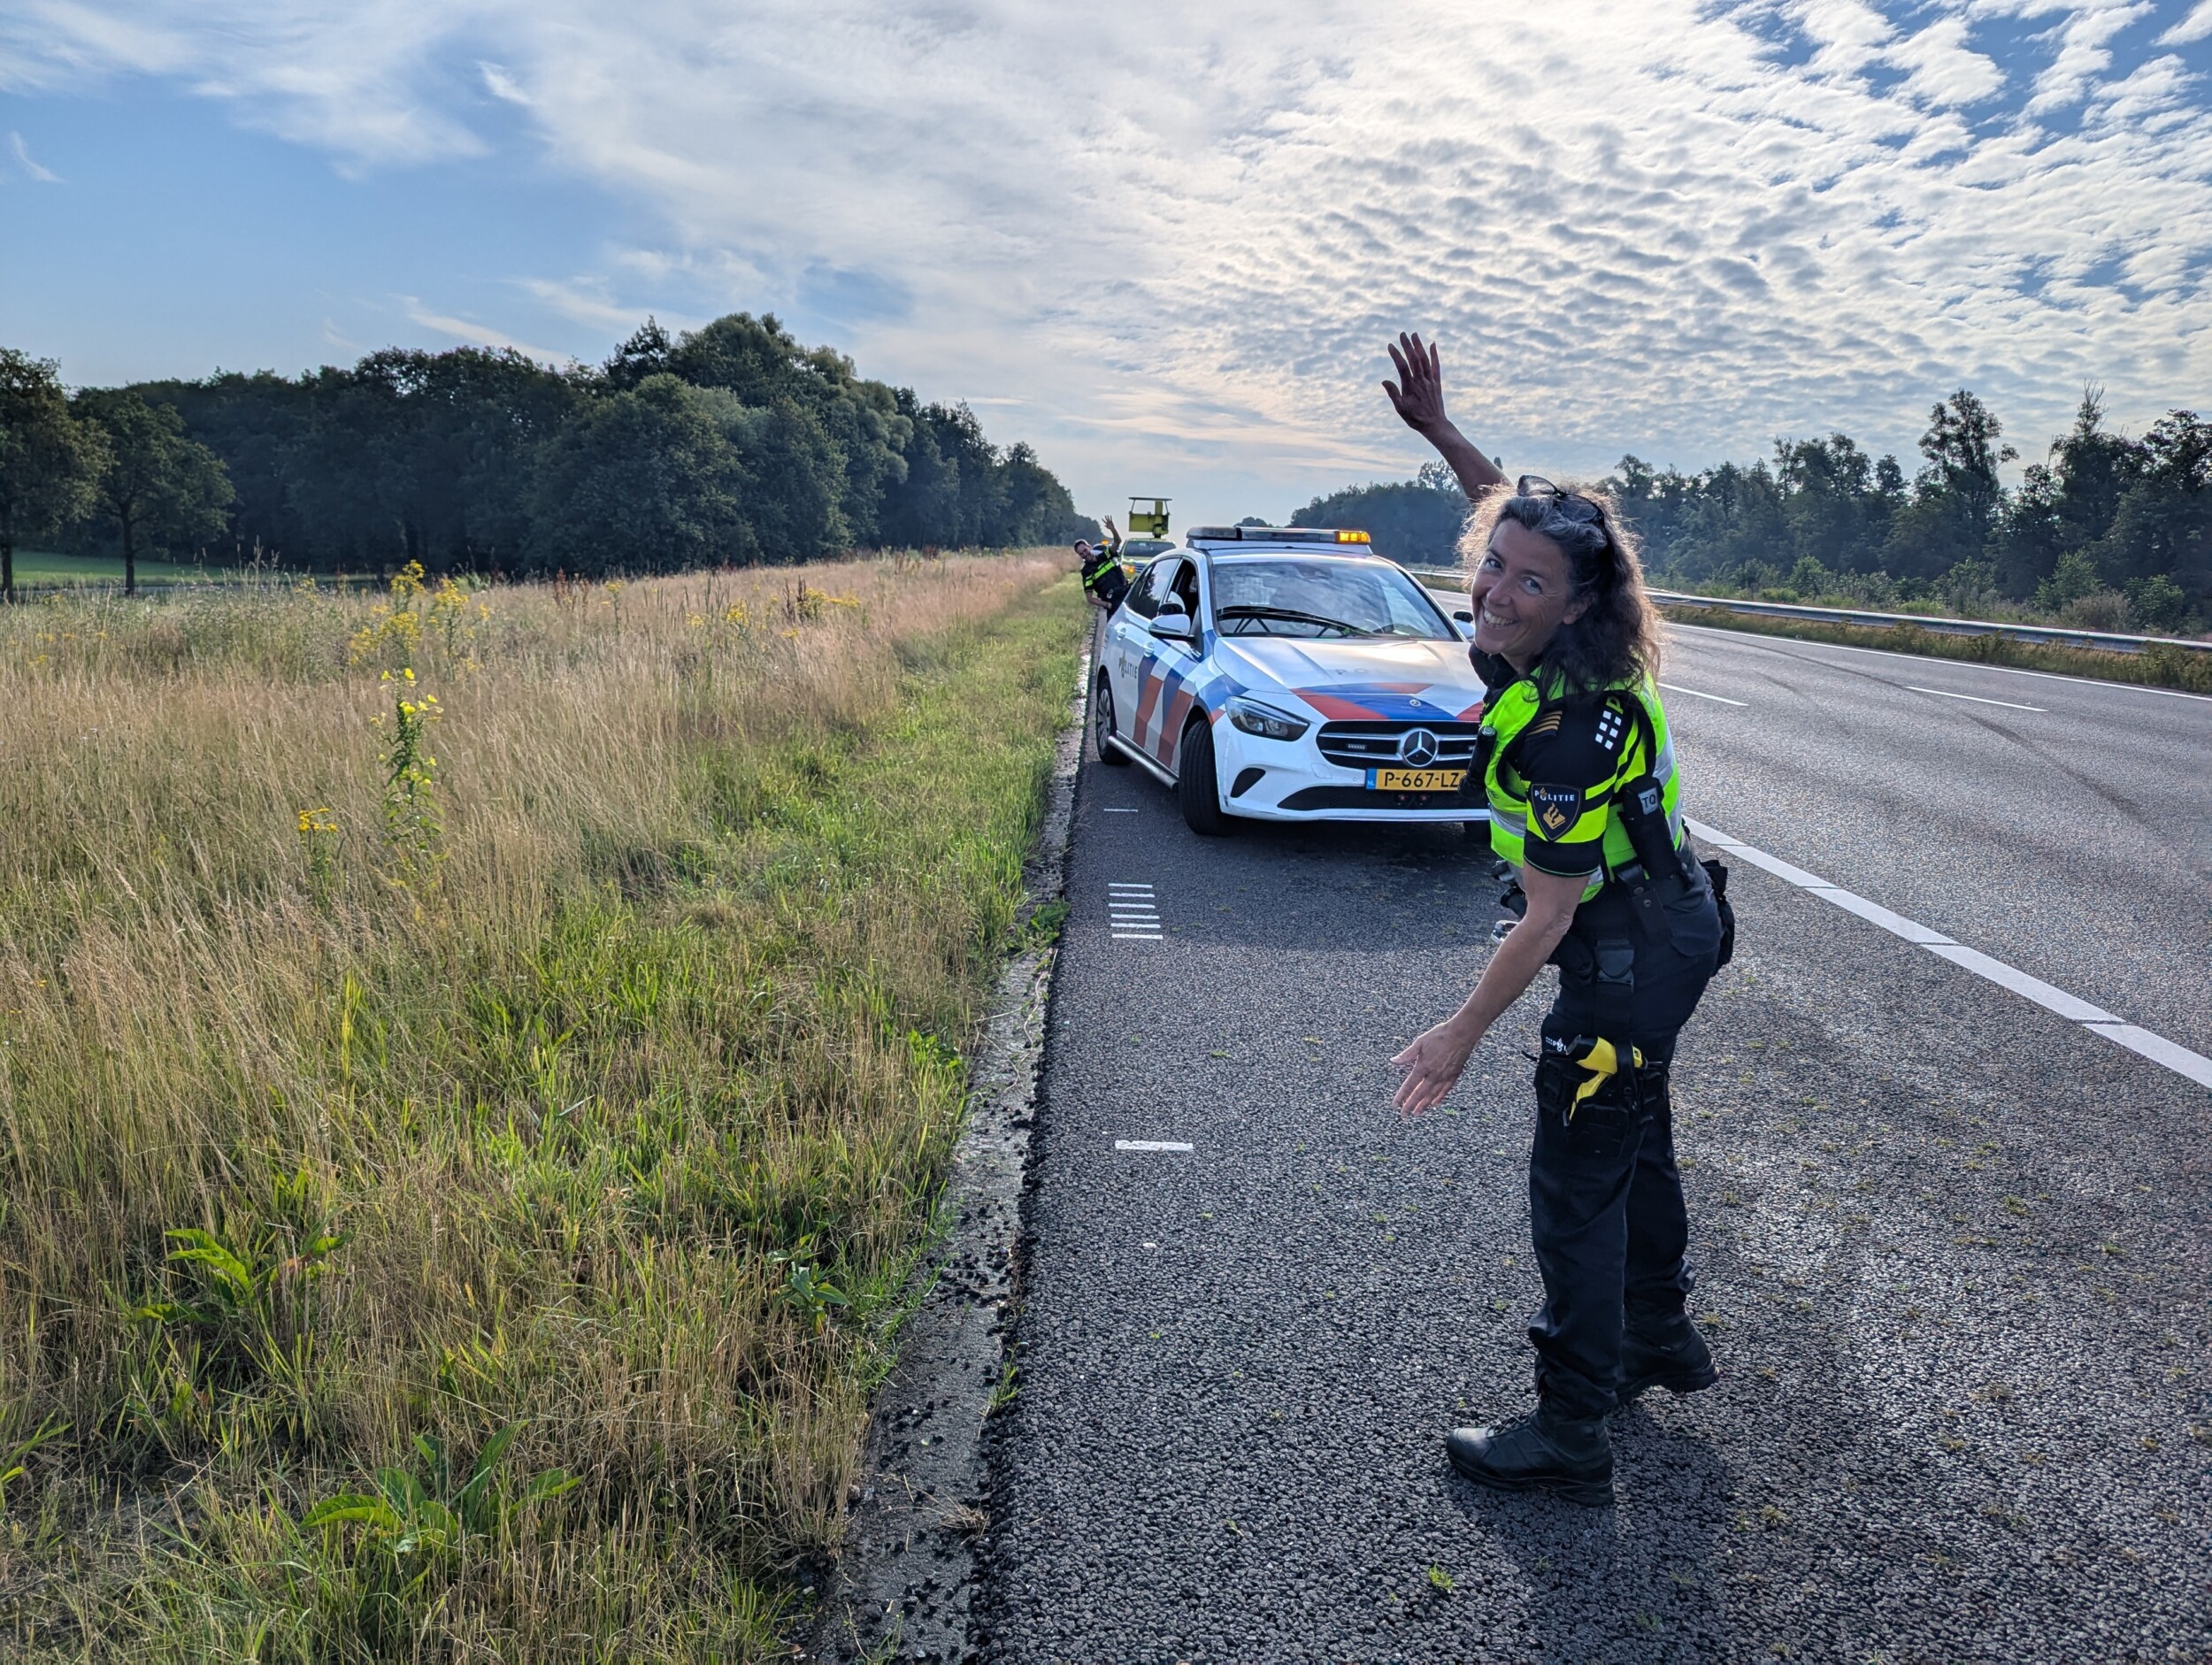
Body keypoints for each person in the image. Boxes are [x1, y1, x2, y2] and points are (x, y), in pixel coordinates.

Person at [1382, 332, 1733, 1508]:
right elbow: (1511, 516)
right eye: (1493, 569)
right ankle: (1660, 1332)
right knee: (1634, 1126)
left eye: (1528, 584)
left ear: (1576, 607)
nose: (1495, 589)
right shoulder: (1570, 633)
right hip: (1675, 923)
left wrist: (1457, 1033)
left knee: (1577, 1175)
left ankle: (1572, 1424)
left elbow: (1541, 921)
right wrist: (1443, 434)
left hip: (1625, 951)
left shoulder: (1563, 731)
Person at [1075, 514, 1130, 610]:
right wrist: (1108, 605)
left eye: (1085, 550)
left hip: (1126, 595)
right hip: (1113, 603)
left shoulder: (1105, 555)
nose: (1084, 554)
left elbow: (1117, 542)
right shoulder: (1086, 571)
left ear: (1089, 547)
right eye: (1081, 554)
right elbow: (1089, 598)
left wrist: (1112, 529)